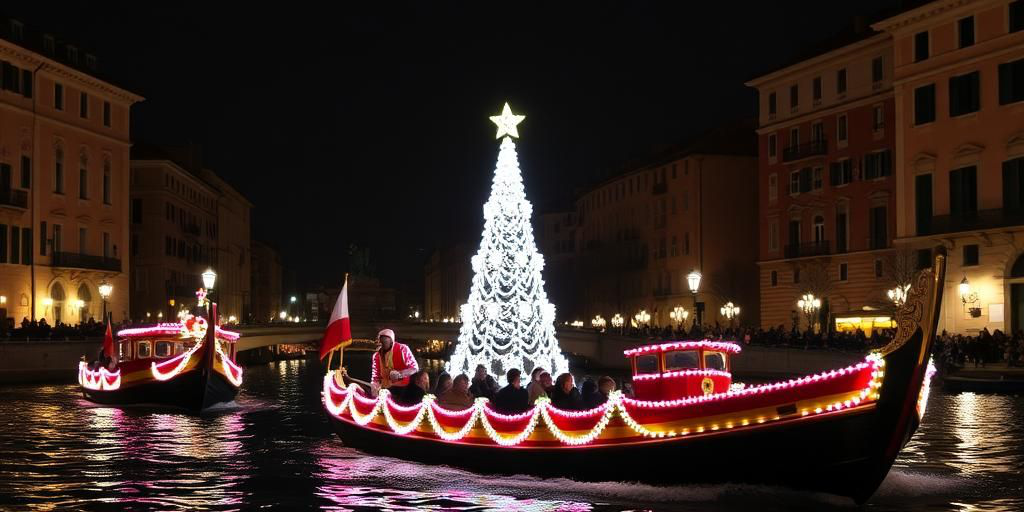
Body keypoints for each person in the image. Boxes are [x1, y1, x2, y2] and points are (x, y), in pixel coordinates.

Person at [370, 328, 419, 397]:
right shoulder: (376, 355)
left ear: (391, 340)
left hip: (403, 388)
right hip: (384, 389)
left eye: (384, 340)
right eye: (380, 341)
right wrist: (374, 387)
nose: (381, 343)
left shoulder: (402, 349)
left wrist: (400, 374)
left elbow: (414, 367)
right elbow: (375, 377)